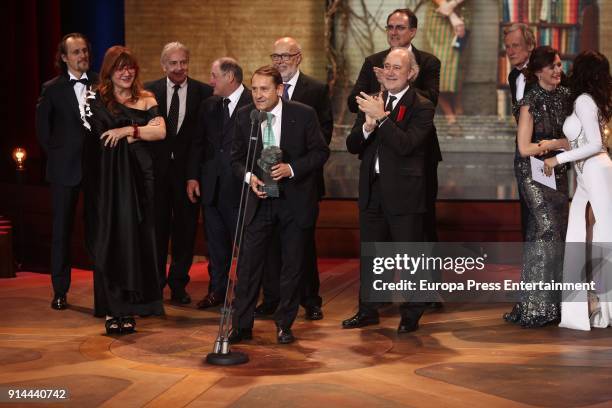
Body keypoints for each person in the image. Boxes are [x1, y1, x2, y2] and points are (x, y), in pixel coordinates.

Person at [228, 66, 329, 344]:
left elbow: (321, 152)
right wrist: (250, 178)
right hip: (259, 201)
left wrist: (292, 168)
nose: (258, 95)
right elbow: (235, 159)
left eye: (264, 89)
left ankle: (284, 325)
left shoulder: (303, 114)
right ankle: (241, 326)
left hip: (294, 203)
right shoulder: (244, 116)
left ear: (279, 90)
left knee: (292, 268)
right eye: (255, 88)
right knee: (248, 268)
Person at [342, 48, 435, 333]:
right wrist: (368, 127)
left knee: (408, 258)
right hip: (373, 190)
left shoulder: (422, 104)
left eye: (398, 67)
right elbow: (352, 145)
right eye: (387, 66)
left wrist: (381, 119)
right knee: (372, 255)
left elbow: (407, 145)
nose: (391, 72)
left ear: (411, 73)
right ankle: (368, 310)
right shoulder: (374, 101)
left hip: (405, 193)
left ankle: (411, 314)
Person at [81, 45, 166, 334]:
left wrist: (128, 131)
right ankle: (112, 308)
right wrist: (134, 134)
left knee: (139, 238)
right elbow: (97, 140)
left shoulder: (146, 98)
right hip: (108, 181)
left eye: (130, 67)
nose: (126, 72)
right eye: (120, 67)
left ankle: (133, 306)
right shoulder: (96, 99)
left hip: (142, 178)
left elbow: (161, 130)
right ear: (109, 71)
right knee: (111, 237)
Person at [254, 36, 333, 321]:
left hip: (301, 182)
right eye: (276, 57)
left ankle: (310, 300)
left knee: (302, 247)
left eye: (286, 56)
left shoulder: (317, 90)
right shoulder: (262, 95)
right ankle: (272, 298)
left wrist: (293, 166)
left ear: (298, 57)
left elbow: (323, 138)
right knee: (270, 246)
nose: (280, 62)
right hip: (267, 182)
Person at [348, 8, 442, 243]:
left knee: (417, 243)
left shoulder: (428, 64)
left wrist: (384, 112)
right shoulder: (373, 64)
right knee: (374, 263)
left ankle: (427, 280)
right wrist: (369, 124)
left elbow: (430, 100)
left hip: (412, 170)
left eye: (399, 27)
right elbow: (354, 105)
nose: (393, 32)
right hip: (375, 182)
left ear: (413, 31)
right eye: (389, 27)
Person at [543, 51, 612, 330]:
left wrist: (557, 158)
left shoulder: (584, 100)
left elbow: (596, 144)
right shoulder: (588, 100)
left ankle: (603, 304)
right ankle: (592, 301)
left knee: (604, 236)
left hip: (596, 170)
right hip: (587, 174)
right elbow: (582, 140)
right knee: (585, 233)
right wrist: (558, 145)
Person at [504, 46, 570, 328]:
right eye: (552, 66)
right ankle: (539, 308)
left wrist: (556, 150)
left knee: (545, 233)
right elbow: (523, 147)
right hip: (531, 171)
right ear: (539, 71)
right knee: (546, 229)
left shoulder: (568, 97)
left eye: (559, 65)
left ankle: (541, 303)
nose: (557, 70)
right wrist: (554, 144)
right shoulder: (529, 100)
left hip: (557, 172)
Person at [145, 42, 213, 305]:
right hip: (157, 175)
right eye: (173, 63)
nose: (179, 68)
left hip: (188, 175)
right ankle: (155, 284)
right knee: (157, 230)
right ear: (164, 65)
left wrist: (195, 174)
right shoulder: (149, 91)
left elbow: (205, 138)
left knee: (185, 232)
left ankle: (178, 285)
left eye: (183, 62)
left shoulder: (204, 92)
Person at [36, 33, 98, 311]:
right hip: (64, 171)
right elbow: (43, 131)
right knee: (62, 232)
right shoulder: (52, 88)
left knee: (98, 232)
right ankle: (60, 291)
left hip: (96, 169)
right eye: (76, 52)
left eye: (84, 50)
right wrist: (60, 156)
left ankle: (104, 292)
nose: (82, 55)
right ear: (64, 57)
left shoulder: (100, 83)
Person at [187, 58, 251, 309]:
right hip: (211, 188)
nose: (210, 81)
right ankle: (218, 291)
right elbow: (198, 144)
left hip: (241, 188)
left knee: (246, 247)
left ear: (230, 77)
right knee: (216, 246)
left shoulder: (253, 103)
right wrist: (193, 177)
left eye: (214, 76)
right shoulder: (208, 106)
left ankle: (245, 296)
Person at [504, 23, 536, 241]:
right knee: (525, 206)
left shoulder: (546, 73)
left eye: (516, 45)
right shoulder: (513, 76)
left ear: (531, 46)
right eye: (507, 47)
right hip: (522, 151)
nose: (511, 51)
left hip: (545, 152)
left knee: (544, 212)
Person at [425, 0, 469, 125]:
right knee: (439, 67)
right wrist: (450, 12)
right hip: (439, 14)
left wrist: (453, 4)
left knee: (458, 66)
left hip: (463, 14)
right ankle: (450, 116)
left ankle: (459, 110)